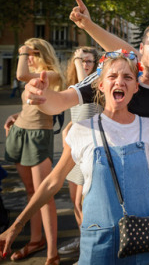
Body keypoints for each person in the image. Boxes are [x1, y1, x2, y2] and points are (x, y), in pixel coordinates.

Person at [0, 53, 149, 264]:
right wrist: (17, 225)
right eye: (112, 76)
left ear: (136, 88)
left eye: (128, 77)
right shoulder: (80, 130)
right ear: (101, 85)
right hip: (97, 242)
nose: (120, 81)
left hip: (144, 242)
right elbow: (51, 182)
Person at [23, 0, 149, 224]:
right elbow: (60, 101)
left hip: (144, 189)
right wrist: (40, 95)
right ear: (141, 49)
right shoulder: (109, 78)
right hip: (101, 184)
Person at [3, 38, 64, 264]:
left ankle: (52, 253)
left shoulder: (52, 74)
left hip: (39, 136)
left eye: (31, 52)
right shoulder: (34, 75)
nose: (27, 57)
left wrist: (22, 51)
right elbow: (29, 106)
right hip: (20, 132)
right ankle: (36, 240)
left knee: (44, 195)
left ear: (42, 53)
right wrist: (16, 117)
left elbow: (19, 75)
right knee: (31, 192)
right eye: (26, 52)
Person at [57, 47, 100, 256]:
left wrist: (75, 58)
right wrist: (68, 127)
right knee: (75, 200)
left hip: (90, 151)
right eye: (82, 61)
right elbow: (78, 115)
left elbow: (85, 96)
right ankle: (83, 240)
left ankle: (89, 249)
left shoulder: (94, 86)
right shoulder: (73, 87)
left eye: (88, 61)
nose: (84, 64)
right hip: (75, 149)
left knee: (84, 203)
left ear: (95, 64)